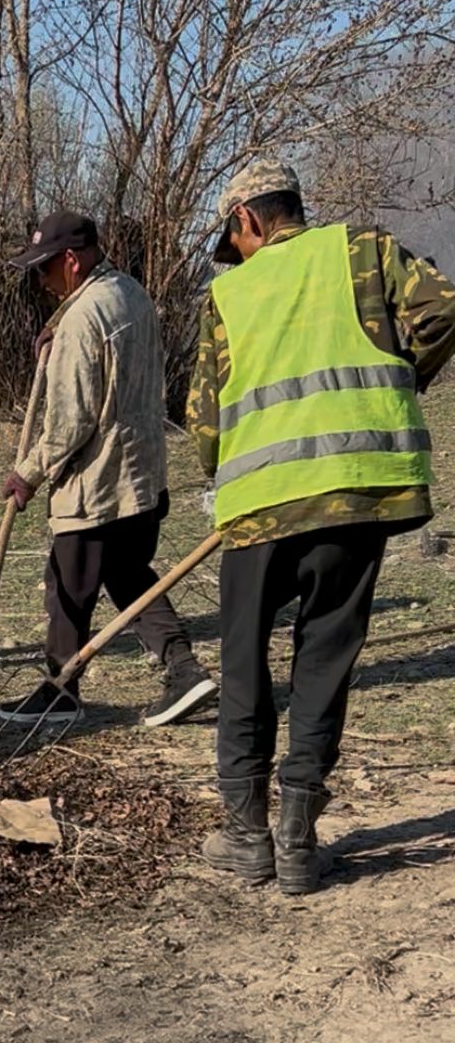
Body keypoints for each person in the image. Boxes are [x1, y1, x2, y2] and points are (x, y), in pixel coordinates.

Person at [191, 159, 455, 893]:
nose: (235, 250)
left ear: (245, 219)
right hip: (352, 496)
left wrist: (226, 458)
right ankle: (300, 843)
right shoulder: (364, 250)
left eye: (232, 237)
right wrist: (402, 369)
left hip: (259, 506)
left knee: (243, 663)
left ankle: (247, 837)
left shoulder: (227, 295)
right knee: (324, 659)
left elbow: (203, 421)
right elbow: (443, 309)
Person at [0, 210, 216, 728]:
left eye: (44, 270)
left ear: (70, 261)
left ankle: (59, 689)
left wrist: (28, 473)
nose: (41, 282)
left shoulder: (81, 319)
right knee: (126, 574)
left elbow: (71, 422)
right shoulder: (130, 294)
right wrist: (54, 339)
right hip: (142, 472)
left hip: (96, 481)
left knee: (68, 585)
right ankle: (183, 668)